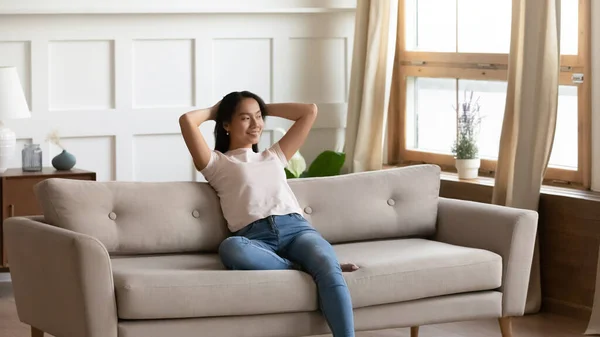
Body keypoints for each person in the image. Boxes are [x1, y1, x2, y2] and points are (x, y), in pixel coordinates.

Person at [179, 91, 358, 337]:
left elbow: (309, 111)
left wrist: (260, 107)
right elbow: (187, 121)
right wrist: (216, 109)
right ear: (226, 124)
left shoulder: (273, 156)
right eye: (245, 118)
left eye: (259, 117)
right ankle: (299, 267)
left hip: (297, 230)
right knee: (231, 248)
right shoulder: (216, 163)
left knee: (327, 265)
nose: (256, 125)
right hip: (254, 238)